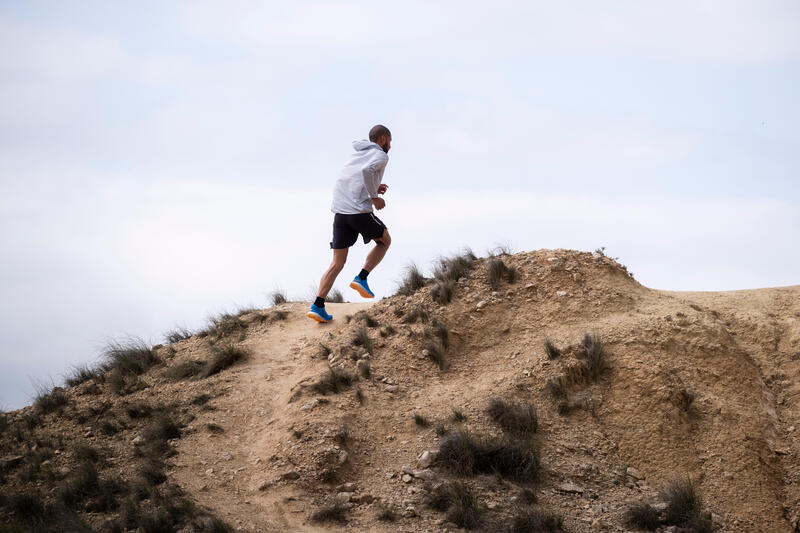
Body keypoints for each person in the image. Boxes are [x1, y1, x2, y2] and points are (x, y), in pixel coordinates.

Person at [308, 125, 392, 323]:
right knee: (385, 241)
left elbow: (355, 175)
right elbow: (367, 170)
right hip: (357, 212)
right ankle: (361, 278)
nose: (390, 145)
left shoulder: (357, 155)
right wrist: (374, 197)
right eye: (389, 140)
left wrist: (374, 186)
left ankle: (317, 305)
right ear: (381, 139)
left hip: (340, 213)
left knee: (337, 262)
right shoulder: (381, 155)